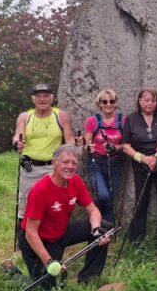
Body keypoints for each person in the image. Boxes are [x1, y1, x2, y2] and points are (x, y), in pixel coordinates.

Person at [20, 145, 113, 289]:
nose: (70, 166)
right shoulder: (39, 191)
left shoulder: (75, 181)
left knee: (104, 227)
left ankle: (88, 279)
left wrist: (96, 230)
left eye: (74, 163)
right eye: (65, 162)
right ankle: (11, 272)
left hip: (61, 232)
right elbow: (30, 234)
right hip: (37, 241)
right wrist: (49, 261)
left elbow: (93, 209)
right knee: (47, 287)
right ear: (54, 163)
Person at [120, 88, 157, 261]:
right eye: (146, 100)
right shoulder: (131, 119)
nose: (149, 103)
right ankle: (137, 245)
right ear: (139, 101)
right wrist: (142, 158)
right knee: (140, 203)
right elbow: (125, 145)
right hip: (141, 165)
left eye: (153, 100)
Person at [13, 84, 77, 221]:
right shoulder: (25, 117)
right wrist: (17, 143)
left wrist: (74, 149)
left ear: (52, 98)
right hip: (30, 168)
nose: (42, 99)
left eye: (46, 96)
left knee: (53, 204)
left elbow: (69, 139)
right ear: (33, 99)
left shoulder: (61, 116)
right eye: (38, 96)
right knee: (25, 205)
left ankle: (49, 238)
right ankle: (23, 240)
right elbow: (18, 134)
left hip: (52, 169)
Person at [83, 89, 126, 224]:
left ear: (116, 103)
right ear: (99, 104)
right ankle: (94, 223)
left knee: (111, 197)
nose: (108, 104)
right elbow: (87, 144)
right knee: (103, 195)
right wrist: (89, 147)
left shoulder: (122, 121)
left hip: (115, 163)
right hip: (96, 163)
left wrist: (115, 147)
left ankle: (107, 230)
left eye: (112, 101)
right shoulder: (93, 121)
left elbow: (126, 145)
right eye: (105, 101)